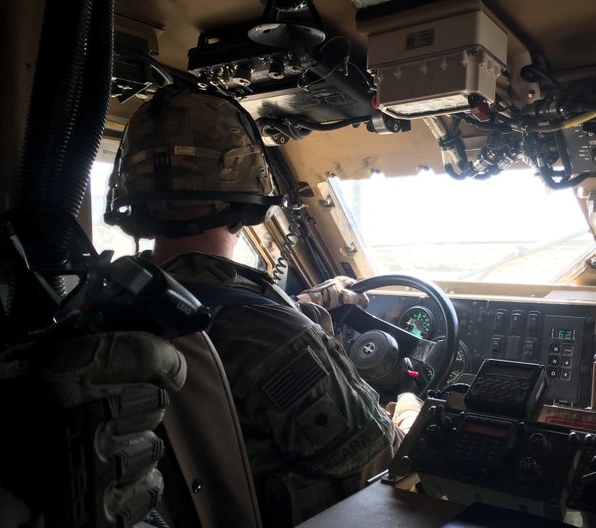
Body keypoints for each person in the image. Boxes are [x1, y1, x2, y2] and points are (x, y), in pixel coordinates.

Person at [104, 86, 421, 526]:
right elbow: (383, 462)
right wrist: (407, 405)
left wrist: (303, 306)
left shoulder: (114, 299)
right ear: (249, 189)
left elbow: (223, 315)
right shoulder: (275, 337)